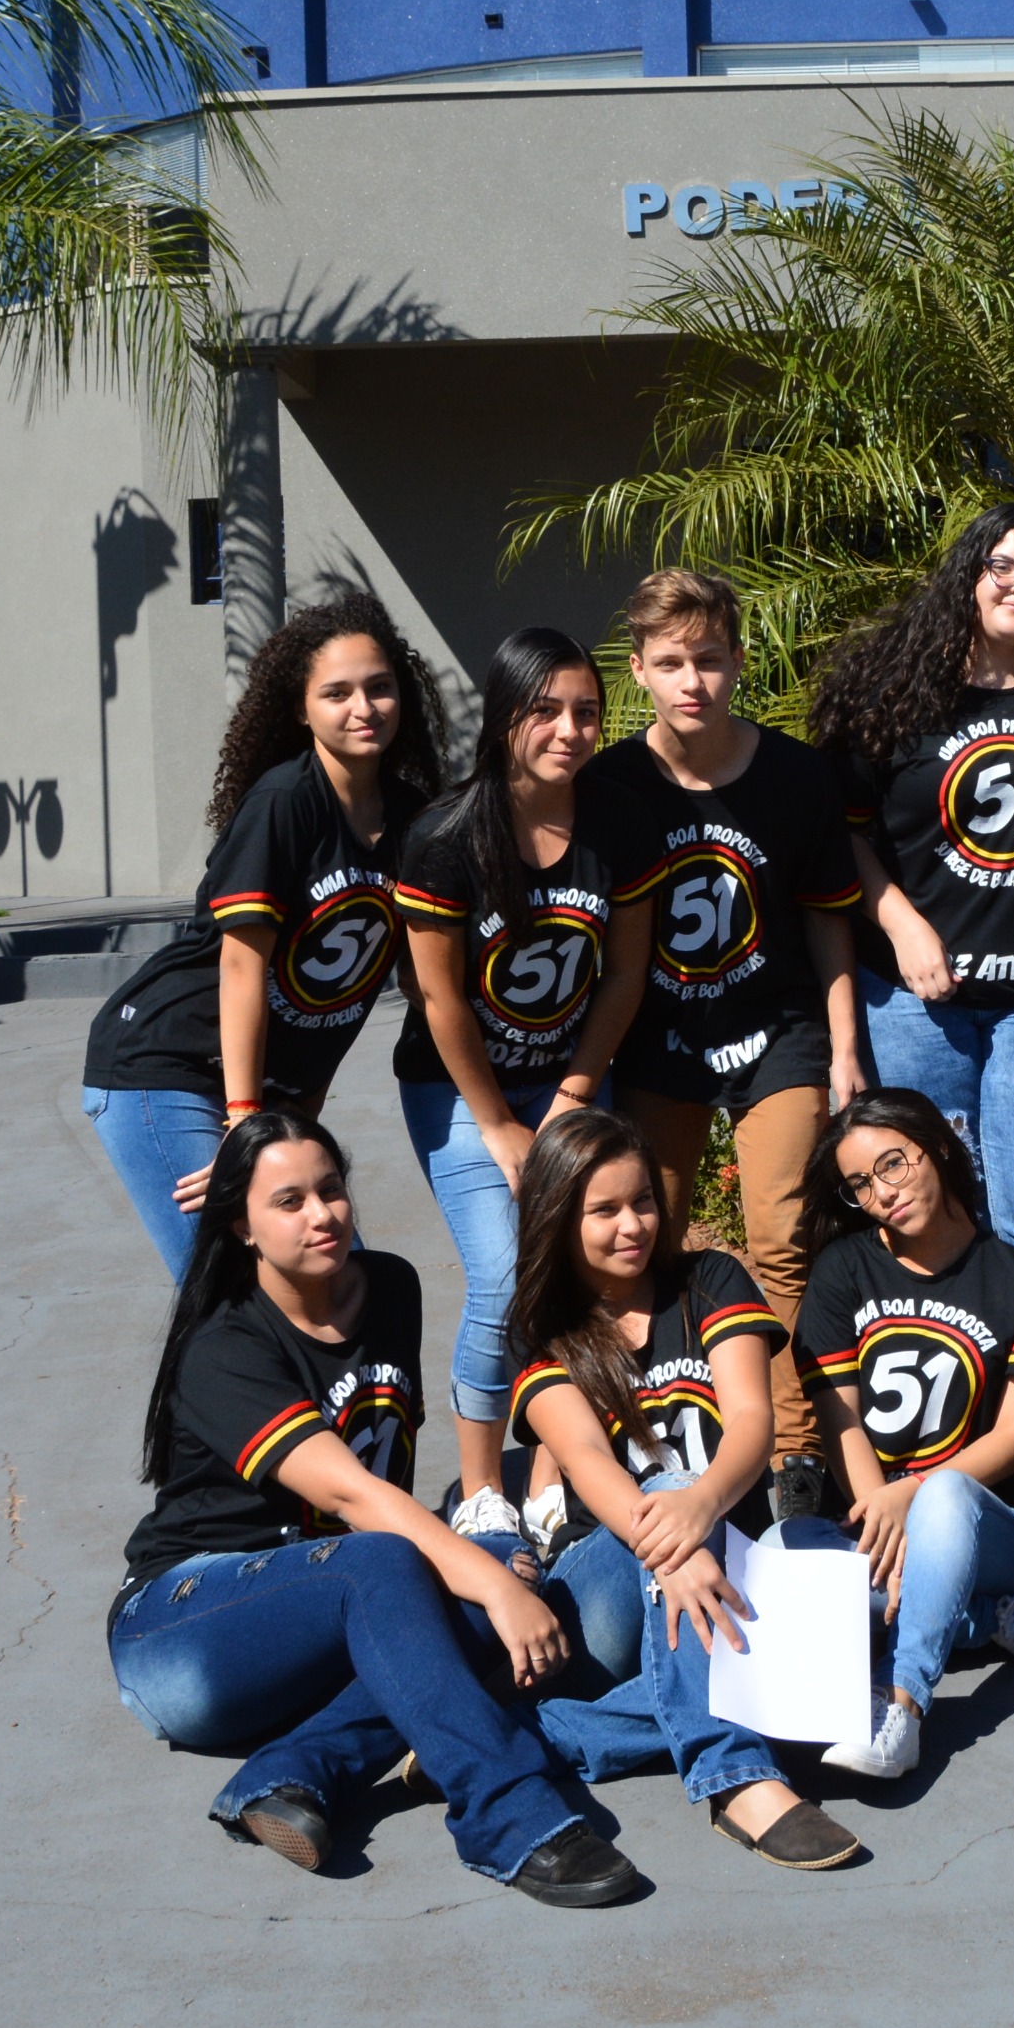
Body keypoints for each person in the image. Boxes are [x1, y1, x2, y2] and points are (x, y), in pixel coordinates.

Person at [104, 1112, 642, 1908]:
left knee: (489, 1558)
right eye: (288, 1201)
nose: (321, 1214)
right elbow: (353, 1494)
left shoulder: (389, 1286)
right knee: (437, 1566)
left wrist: (496, 1574)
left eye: (330, 1189)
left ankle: (298, 1767)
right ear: (242, 1226)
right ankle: (507, 1811)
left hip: (334, 1606)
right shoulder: (222, 1344)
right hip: (182, 1637)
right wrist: (496, 1590)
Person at [500, 1106, 866, 1871]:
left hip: (722, 1567)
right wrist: (676, 1535)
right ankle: (736, 1776)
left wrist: (701, 1507)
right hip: (605, 1591)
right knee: (669, 1481)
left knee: (833, 1638)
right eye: (604, 1210)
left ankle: (533, 1735)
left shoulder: (709, 1280)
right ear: (558, 1219)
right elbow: (591, 1465)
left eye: (642, 1200)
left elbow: (752, 1420)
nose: (632, 1224)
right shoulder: (541, 1333)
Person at [592, 568, 867, 1520]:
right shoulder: (611, 783)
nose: (692, 681)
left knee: (783, 1238)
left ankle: (794, 1454)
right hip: (659, 1043)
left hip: (777, 1033)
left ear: (739, 661)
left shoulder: (795, 775)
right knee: (645, 1242)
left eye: (709, 659)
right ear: (638, 670)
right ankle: (654, 1437)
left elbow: (828, 917)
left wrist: (844, 1044)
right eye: (670, 663)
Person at [83, 596, 446, 1280]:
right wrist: (245, 1124)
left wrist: (298, 1115)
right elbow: (242, 969)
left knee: (332, 1280)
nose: (364, 707)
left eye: (379, 686)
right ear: (301, 709)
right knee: (236, 1286)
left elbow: (353, 995)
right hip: (166, 1067)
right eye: (336, 693)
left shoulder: (413, 819)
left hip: (265, 1092)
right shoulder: (284, 803)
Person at [392, 627, 663, 1518]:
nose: (569, 730)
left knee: (588, 1267)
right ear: (505, 714)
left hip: (569, 1076)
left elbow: (624, 973)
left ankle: (550, 1470)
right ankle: (480, 1490)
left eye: (586, 711)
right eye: (545, 710)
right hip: (458, 1087)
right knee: (506, 1273)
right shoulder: (443, 837)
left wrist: (574, 1092)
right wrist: (499, 1124)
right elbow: (441, 1001)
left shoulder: (619, 819)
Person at [811, 507, 1014, 1256]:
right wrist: (901, 923)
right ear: (970, 575)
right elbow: (841, 832)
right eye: (1003, 566)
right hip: (914, 1004)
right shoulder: (891, 691)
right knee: (939, 1209)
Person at [792, 1087, 1014, 1781]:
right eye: (860, 1183)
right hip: (870, 1525)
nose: (882, 1192)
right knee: (777, 1552)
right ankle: (986, 1619)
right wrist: (881, 1519)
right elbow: (840, 1422)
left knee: (945, 1493)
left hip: (985, 1528)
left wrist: (908, 1497)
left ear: (940, 1147)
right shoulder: (842, 1268)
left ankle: (899, 1707)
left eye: (893, 1163)